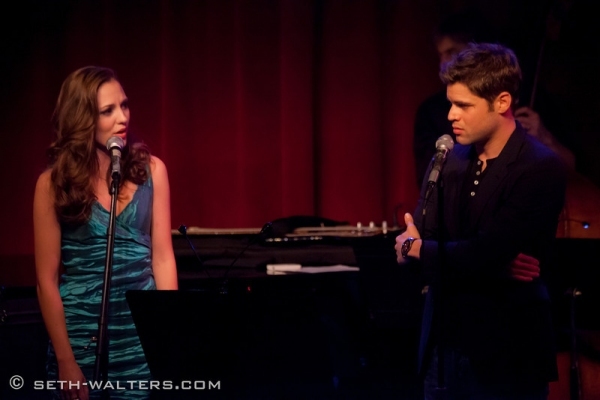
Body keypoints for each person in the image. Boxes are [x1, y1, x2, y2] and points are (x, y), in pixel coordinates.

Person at [396, 43, 566, 399]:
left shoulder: (538, 167)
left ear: (502, 102)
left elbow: (482, 252)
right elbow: (433, 244)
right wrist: (416, 250)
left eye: (464, 105)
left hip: (507, 351)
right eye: (451, 103)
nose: (451, 115)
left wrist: (419, 249)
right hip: (443, 346)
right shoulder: (449, 158)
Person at [33, 66, 178, 400]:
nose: (122, 117)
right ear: (82, 118)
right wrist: (65, 360)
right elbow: (46, 281)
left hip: (140, 340)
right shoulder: (51, 185)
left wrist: (167, 338)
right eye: (108, 110)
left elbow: (163, 258)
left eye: (124, 106)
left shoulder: (152, 171)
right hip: (80, 339)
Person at [413, 13, 576, 188]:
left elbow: (571, 167)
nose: (444, 62)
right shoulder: (431, 111)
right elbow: (428, 179)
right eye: (440, 55)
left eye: (452, 52)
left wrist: (544, 137)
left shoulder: (535, 99)